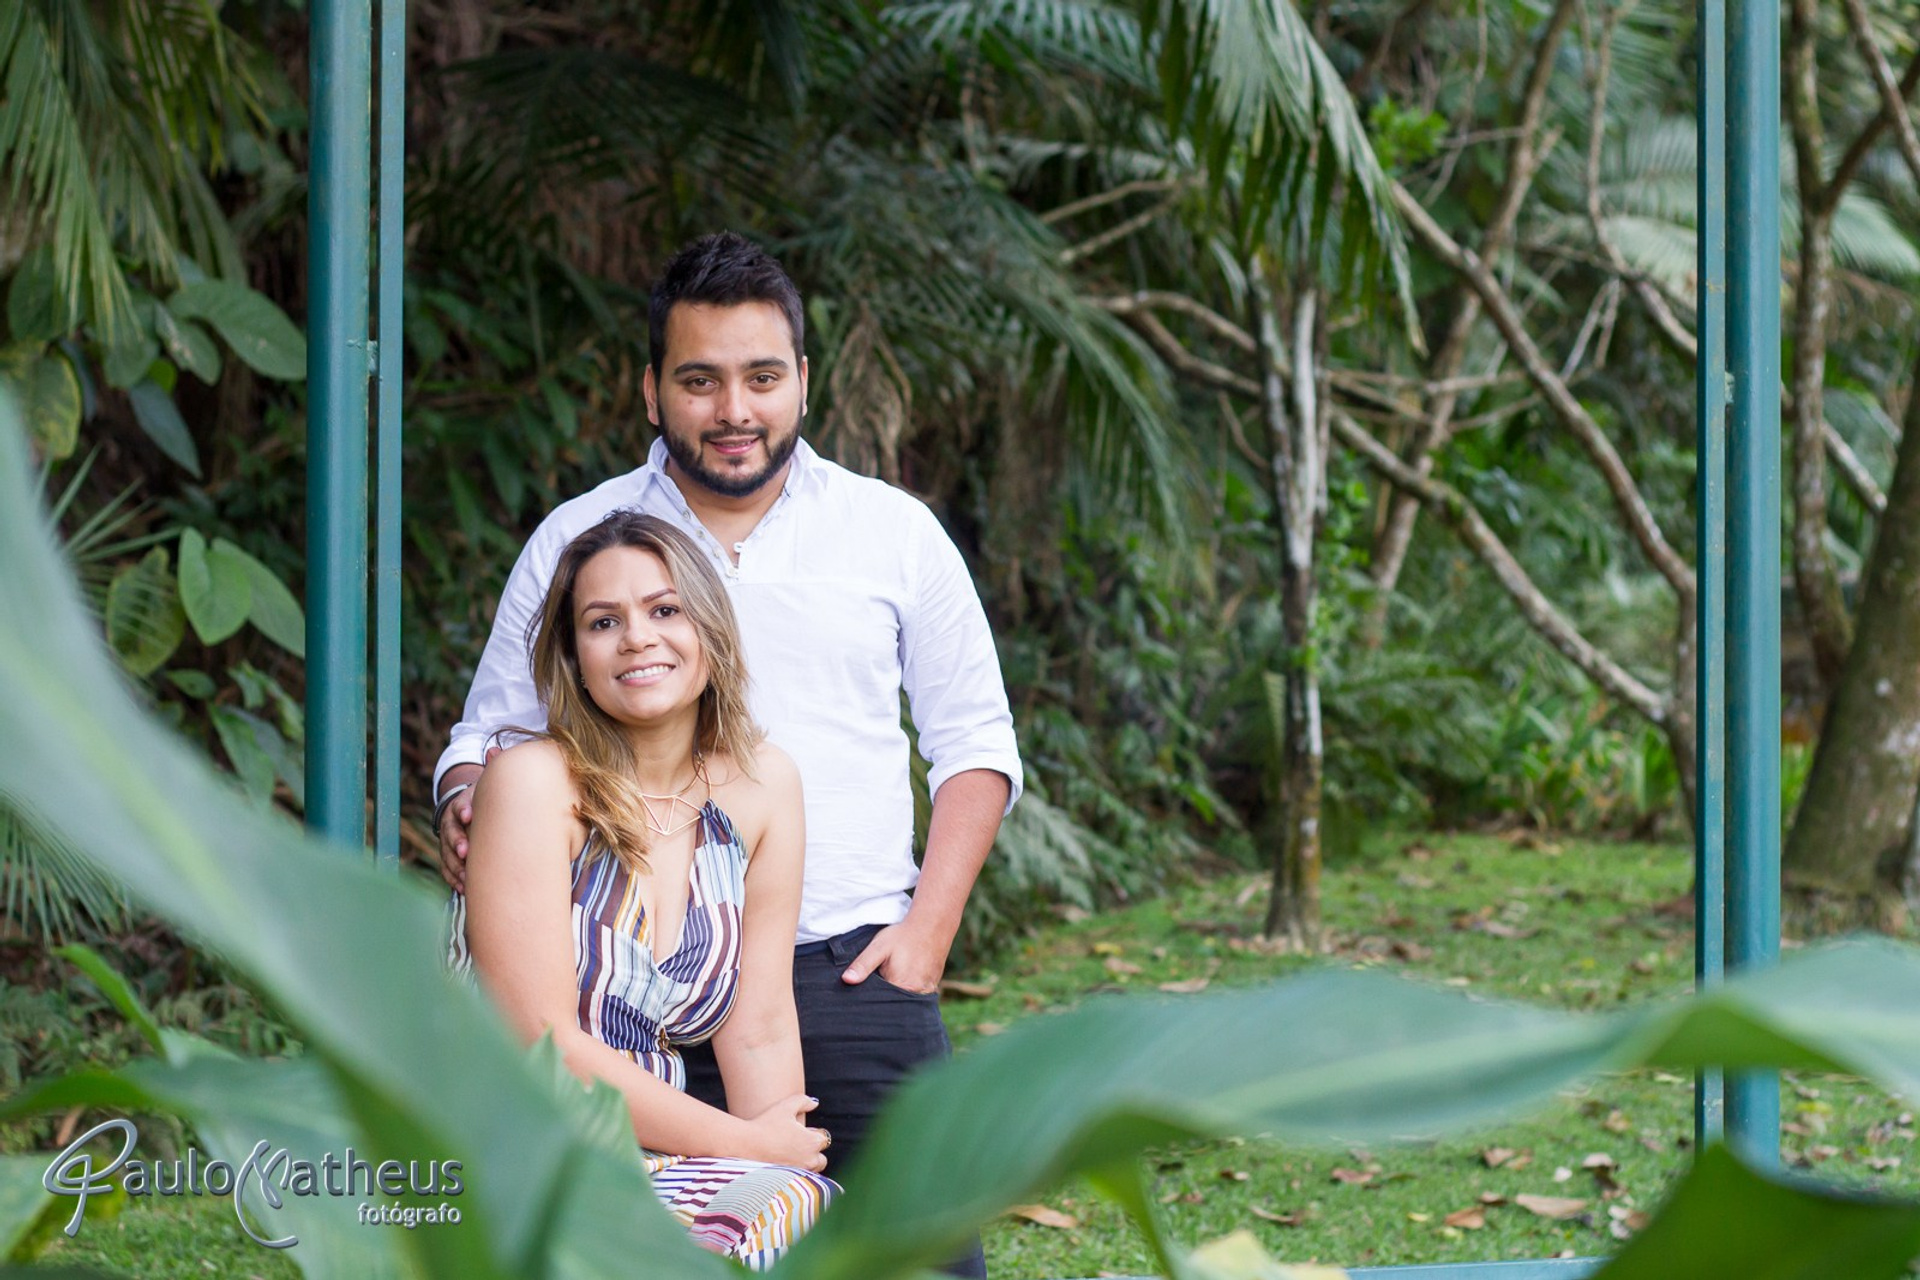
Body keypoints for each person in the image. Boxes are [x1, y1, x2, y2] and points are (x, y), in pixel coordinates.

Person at [434, 231, 1021, 1275]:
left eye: (762, 377)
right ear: (652, 390)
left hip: (848, 963)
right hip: (621, 990)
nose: (734, 409)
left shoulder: (893, 532)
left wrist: (926, 935)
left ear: (804, 380)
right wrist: (475, 801)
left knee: (917, 1254)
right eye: (700, 380)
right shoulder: (583, 537)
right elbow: (495, 730)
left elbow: (974, 741)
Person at [457, 510, 835, 1269]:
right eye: (603, 622)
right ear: (574, 658)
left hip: (659, 1152)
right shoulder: (533, 783)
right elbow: (543, 1047)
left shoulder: (764, 785)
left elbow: (759, 1025)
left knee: (788, 1215)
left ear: (710, 630)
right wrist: (747, 1144)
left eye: (665, 610)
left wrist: (779, 1164)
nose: (637, 638)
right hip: (507, 1144)